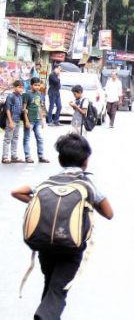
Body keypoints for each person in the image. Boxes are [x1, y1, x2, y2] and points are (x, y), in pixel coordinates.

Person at [11, 134, 114, 320]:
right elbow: (109, 213)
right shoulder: (88, 184)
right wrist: (87, 205)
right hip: (71, 247)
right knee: (58, 289)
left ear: (60, 160)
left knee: (51, 283)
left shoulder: (47, 182)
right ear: (86, 161)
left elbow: (16, 192)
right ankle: (44, 316)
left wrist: (36, 202)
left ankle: (47, 314)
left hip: (44, 243)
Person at [23, 78, 49, 164]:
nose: (37, 87)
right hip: (29, 120)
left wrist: (42, 120)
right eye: (35, 85)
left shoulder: (40, 94)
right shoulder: (27, 94)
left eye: (38, 85)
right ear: (31, 85)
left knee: (40, 138)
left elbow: (40, 107)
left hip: (37, 120)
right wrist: (26, 121)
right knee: (27, 138)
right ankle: (28, 156)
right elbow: (24, 109)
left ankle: (41, 156)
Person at [2, 80, 26, 164]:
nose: (21, 89)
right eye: (19, 87)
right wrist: (10, 121)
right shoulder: (10, 96)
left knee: (15, 138)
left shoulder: (20, 96)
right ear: (14, 87)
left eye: (22, 87)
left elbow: (19, 108)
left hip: (17, 120)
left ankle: (14, 156)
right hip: (11, 120)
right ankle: (5, 157)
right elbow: (7, 110)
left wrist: (24, 110)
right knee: (7, 139)